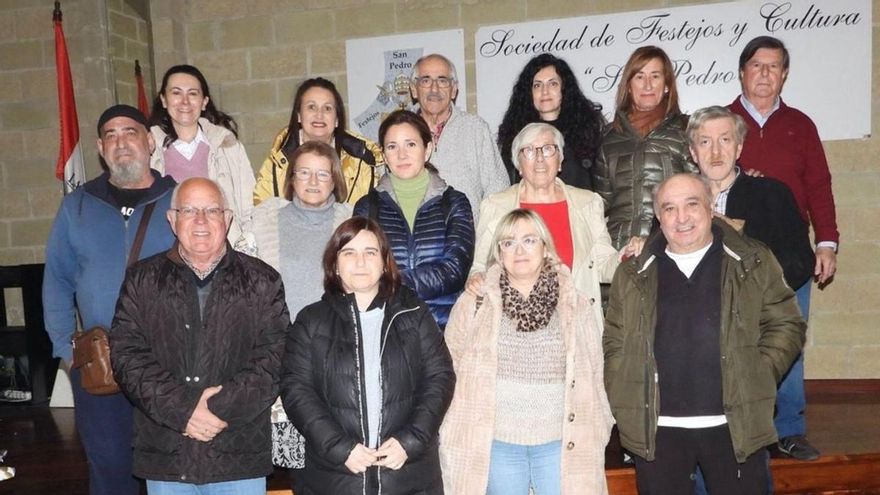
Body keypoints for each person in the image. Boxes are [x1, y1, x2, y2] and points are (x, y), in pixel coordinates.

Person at [604, 173, 806, 494]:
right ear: (658, 216)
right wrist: (622, 392)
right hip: (659, 433)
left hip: (735, 427)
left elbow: (787, 323)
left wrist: (758, 373)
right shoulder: (633, 274)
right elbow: (615, 342)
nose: (681, 218)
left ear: (711, 208)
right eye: (669, 208)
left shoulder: (752, 261)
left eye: (692, 204)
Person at [109, 177, 289, 494]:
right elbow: (127, 356)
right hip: (168, 454)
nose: (201, 220)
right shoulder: (142, 279)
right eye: (189, 210)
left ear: (228, 218)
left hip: (237, 451)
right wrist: (184, 410)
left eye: (212, 210)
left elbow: (274, 359)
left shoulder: (263, 281)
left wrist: (217, 408)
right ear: (172, 219)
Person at [43, 104, 177, 495]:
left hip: (167, 364)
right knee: (110, 470)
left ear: (149, 141)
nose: (122, 142)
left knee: (171, 470)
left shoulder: (179, 200)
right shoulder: (77, 207)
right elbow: (56, 280)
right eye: (112, 136)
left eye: (130, 132)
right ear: (101, 148)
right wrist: (67, 352)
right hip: (99, 366)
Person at [441, 209, 614, 495]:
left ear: (545, 247)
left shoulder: (574, 303)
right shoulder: (476, 301)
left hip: (560, 444)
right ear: (498, 252)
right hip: (497, 443)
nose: (519, 250)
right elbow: (450, 367)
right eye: (508, 243)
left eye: (529, 240)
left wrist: (601, 426)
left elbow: (595, 371)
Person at [281, 216, 455, 494]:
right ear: (334, 265)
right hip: (334, 477)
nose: (360, 262)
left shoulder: (414, 313)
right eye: (349, 252)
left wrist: (409, 442)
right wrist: (340, 449)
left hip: (408, 475)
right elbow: (296, 390)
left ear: (385, 263)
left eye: (370, 252)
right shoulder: (311, 321)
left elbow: (440, 378)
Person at [729, 36, 838, 460]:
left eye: (773, 67)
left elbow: (820, 186)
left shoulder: (801, 125)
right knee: (737, 343)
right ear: (742, 72)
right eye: (756, 66)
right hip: (736, 256)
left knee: (788, 340)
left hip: (791, 254)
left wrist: (826, 243)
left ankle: (789, 430)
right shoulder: (721, 122)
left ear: (784, 74)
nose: (764, 74)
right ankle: (742, 429)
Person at [241, 141, 352, 475]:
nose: (313, 181)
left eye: (322, 173)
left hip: (339, 354)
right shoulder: (262, 220)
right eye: (304, 172)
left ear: (335, 179)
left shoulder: (353, 222)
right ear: (291, 178)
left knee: (340, 455)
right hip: (283, 355)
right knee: (295, 463)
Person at [469, 122, 640, 334]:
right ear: (518, 165)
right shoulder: (496, 206)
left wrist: (628, 256)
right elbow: (479, 267)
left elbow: (604, 265)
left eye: (548, 149)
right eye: (529, 150)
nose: (539, 158)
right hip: (515, 333)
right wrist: (477, 280)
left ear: (560, 161)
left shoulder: (587, 203)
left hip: (578, 330)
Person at [353, 110, 474, 329]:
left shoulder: (454, 202)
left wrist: (392, 282)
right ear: (384, 155)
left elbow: (456, 268)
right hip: (388, 331)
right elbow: (361, 269)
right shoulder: (367, 207)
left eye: (410, 144)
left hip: (445, 330)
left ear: (427, 150)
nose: (402, 154)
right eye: (392, 146)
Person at [689, 105, 815, 298]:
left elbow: (799, 262)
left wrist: (757, 295)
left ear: (738, 148)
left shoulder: (772, 194)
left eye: (725, 140)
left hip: (760, 315)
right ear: (693, 152)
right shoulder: (677, 200)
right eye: (705, 142)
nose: (716, 152)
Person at [593, 46, 697, 249]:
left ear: (667, 85)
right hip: (620, 251)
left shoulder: (687, 130)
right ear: (629, 85)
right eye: (640, 77)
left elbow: (701, 192)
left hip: (671, 247)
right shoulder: (608, 138)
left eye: (655, 76)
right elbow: (599, 207)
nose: (648, 85)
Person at [148, 64, 254, 245]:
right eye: (176, 93)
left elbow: (249, 206)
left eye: (192, 93)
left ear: (204, 102)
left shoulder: (228, 146)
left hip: (223, 251)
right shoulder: (149, 149)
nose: (185, 101)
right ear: (164, 100)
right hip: (167, 251)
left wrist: (246, 244)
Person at [409, 53, 509, 220]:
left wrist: (485, 239)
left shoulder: (476, 129)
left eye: (442, 81)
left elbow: (498, 191)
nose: (434, 89)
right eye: (426, 80)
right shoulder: (400, 131)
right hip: (416, 242)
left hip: (471, 242)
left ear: (454, 89)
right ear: (414, 89)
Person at [254, 77, 383, 206]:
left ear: (337, 119)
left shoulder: (363, 163)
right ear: (299, 115)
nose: (319, 115)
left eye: (327, 108)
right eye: (311, 107)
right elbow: (261, 215)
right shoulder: (276, 164)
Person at [497, 53, 605, 188]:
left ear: (564, 89)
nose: (544, 91)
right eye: (537, 85)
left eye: (552, 84)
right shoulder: (515, 134)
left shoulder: (588, 130)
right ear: (528, 93)